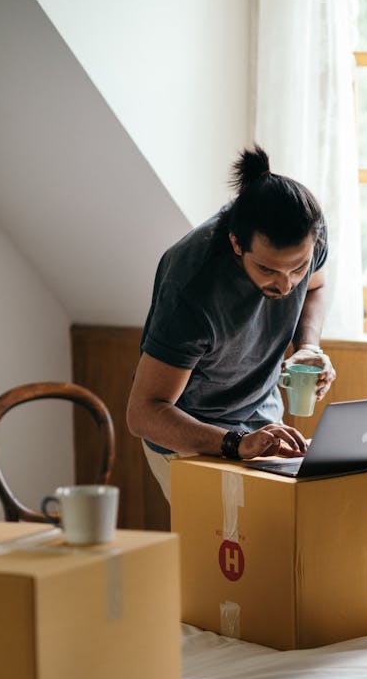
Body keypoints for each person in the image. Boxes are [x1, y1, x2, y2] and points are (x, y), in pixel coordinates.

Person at [126, 144, 337, 521]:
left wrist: (307, 347)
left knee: (280, 536)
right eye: (269, 270)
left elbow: (316, 287)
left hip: (260, 415)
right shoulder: (192, 286)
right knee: (225, 556)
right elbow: (144, 413)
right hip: (187, 434)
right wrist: (234, 442)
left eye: (297, 267)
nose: (286, 285)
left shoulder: (308, 235)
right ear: (236, 244)